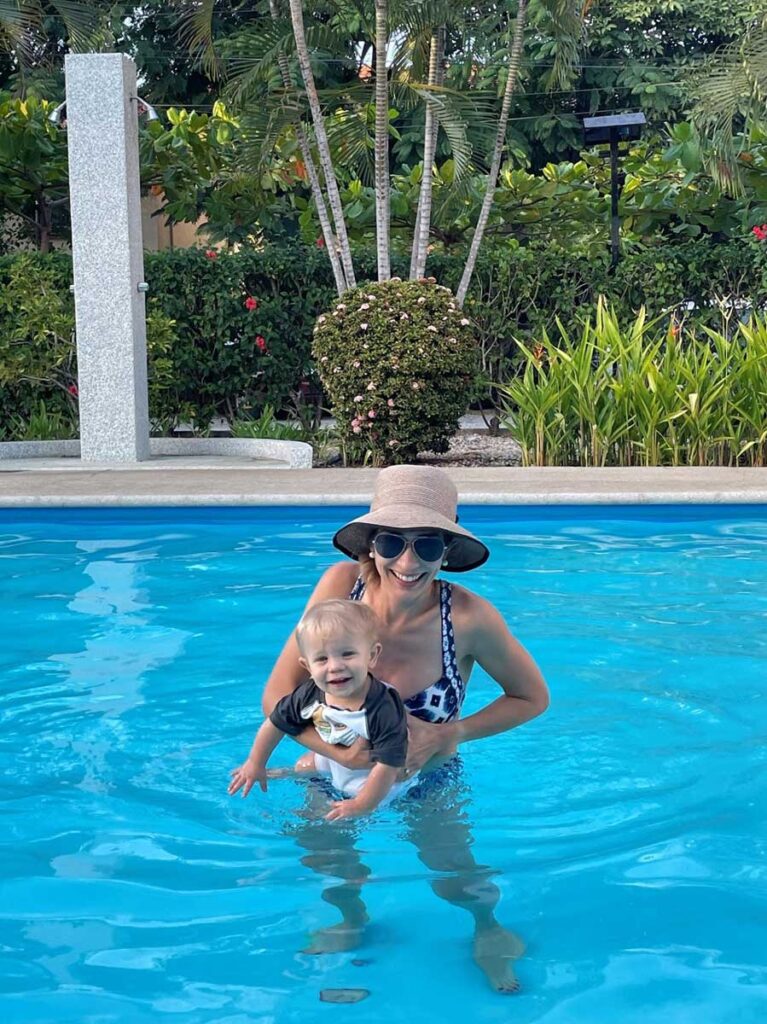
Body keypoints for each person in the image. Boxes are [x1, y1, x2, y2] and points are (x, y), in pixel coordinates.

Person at [236, 464, 550, 992]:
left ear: (448, 549)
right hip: (329, 772)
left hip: (426, 779)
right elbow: (277, 697)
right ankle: (352, 918)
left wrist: (448, 734)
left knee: (454, 873)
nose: (407, 562)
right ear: (371, 544)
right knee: (328, 858)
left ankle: (490, 930)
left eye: (427, 545)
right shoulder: (340, 589)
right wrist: (338, 751)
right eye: (391, 542)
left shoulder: (468, 618)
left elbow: (532, 698)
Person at [228, 599, 416, 821]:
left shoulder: (382, 706)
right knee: (303, 765)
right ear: (307, 667)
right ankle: (290, 774)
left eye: (347, 654)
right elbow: (275, 724)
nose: (335, 666)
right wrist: (255, 763)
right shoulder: (308, 694)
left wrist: (361, 804)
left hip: (376, 777)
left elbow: (389, 765)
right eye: (322, 659)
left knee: (338, 816)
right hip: (336, 758)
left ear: (371, 656)